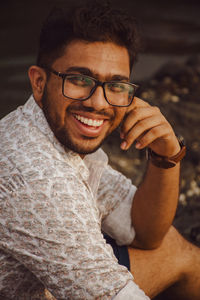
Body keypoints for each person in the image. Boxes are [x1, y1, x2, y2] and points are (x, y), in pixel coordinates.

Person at [0, 1, 199, 299]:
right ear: (39, 83)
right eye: (80, 80)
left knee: (175, 249)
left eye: (116, 85)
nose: (99, 103)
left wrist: (165, 155)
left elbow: (144, 231)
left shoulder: (48, 129)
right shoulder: (40, 182)